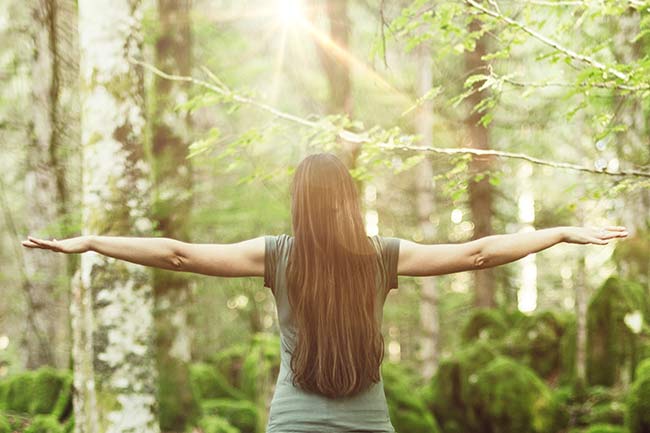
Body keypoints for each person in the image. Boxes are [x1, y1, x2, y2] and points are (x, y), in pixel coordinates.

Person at [22, 152, 628, 432]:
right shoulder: (382, 257)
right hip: (370, 422)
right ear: (348, 199)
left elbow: (178, 254)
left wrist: (95, 241)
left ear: (298, 202)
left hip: (293, 422)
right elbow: (477, 252)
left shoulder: (277, 255)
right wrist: (560, 233)